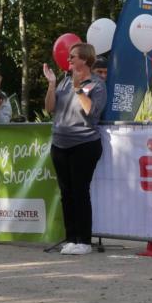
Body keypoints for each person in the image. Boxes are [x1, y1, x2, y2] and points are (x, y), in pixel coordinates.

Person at [44, 42, 106, 255]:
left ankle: (84, 241)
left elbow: (92, 112)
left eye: (73, 56)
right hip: (59, 144)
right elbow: (50, 108)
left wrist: (78, 88)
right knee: (66, 193)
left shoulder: (97, 84)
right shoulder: (64, 81)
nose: (68, 59)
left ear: (85, 60)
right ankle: (71, 238)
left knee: (80, 192)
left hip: (84, 144)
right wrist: (52, 84)